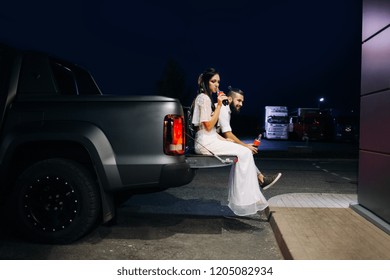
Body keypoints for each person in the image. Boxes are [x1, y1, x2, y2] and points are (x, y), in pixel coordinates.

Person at [191, 67, 269, 216]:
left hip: (209, 139)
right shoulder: (204, 98)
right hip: (205, 143)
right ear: (206, 82)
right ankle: (245, 199)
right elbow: (207, 126)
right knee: (245, 152)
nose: (217, 85)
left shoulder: (206, 98)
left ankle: (250, 196)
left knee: (244, 152)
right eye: (213, 81)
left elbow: (211, 131)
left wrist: (228, 141)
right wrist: (219, 105)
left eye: (218, 82)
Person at [218, 86, 282, 190]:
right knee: (245, 151)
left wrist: (244, 145)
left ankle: (260, 179)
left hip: (217, 139)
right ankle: (260, 179)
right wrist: (246, 146)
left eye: (242, 101)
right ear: (229, 99)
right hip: (211, 141)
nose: (241, 104)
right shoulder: (223, 109)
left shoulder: (226, 109)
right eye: (238, 100)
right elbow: (228, 134)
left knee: (245, 151)